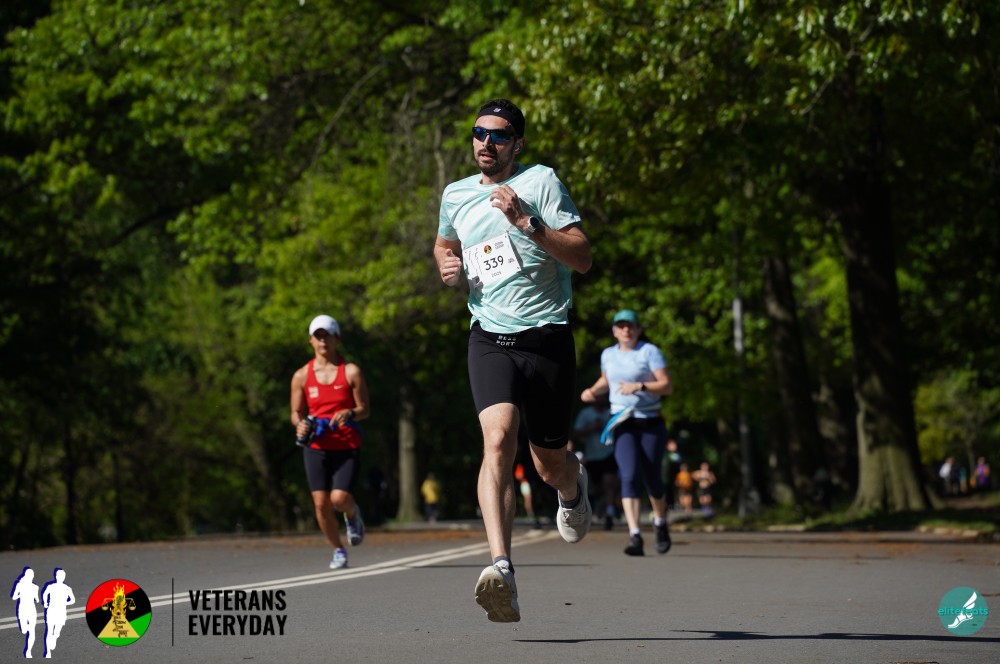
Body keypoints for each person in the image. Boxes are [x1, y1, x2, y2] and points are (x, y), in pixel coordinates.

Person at [434, 98, 593, 623]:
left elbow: (582, 257)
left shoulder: (541, 182)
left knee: (548, 465)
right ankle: (501, 568)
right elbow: (443, 245)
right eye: (479, 132)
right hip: (489, 337)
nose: (487, 142)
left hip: (546, 339)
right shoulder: (456, 194)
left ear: (517, 144)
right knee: (498, 440)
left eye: (499, 135)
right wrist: (447, 266)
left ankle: (572, 486)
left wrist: (526, 222)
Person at [581, 309, 674, 557]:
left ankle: (660, 522)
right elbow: (606, 380)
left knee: (652, 477)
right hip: (622, 422)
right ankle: (635, 535)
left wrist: (640, 386)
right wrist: (592, 391)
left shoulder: (649, 352)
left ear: (638, 329)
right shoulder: (608, 355)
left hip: (650, 421)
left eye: (631, 326)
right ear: (614, 331)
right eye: (621, 326)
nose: (626, 330)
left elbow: (666, 386)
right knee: (629, 475)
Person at [291, 315, 370, 569]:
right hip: (316, 447)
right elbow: (296, 413)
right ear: (311, 341)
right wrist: (300, 424)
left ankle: (352, 514)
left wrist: (350, 413)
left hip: (346, 444)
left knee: (338, 499)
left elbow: (365, 409)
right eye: (319, 336)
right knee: (320, 503)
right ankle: (338, 550)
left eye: (328, 335)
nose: (323, 341)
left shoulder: (351, 371)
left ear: (337, 339)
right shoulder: (302, 375)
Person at [572, 397, 618, 530]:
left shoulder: (610, 413)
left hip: (609, 453)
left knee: (609, 483)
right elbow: (577, 433)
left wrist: (606, 428)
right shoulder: (585, 414)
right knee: (596, 488)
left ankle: (609, 514)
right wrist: (591, 428)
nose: (600, 400)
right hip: (592, 456)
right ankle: (598, 505)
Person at [41, 568, 75, 658]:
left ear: (64, 577)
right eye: (59, 576)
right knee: (49, 630)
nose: (60, 577)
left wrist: (65, 603)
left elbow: (73, 600)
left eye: (62, 576)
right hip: (51, 610)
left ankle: (54, 638)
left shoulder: (67, 588)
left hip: (61, 612)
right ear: (56, 576)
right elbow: (45, 594)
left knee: (57, 632)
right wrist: (45, 602)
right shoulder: (51, 586)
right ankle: (47, 652)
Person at [10, 567, 39, 658]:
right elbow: (37, 600)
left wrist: (20, 595)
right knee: (24, 630)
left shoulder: (33, 587)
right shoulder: (21, 585)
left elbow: (14, 597)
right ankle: (28, 650)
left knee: (31, 631)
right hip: (25, 609)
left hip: (28, 609)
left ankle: (28, 651)